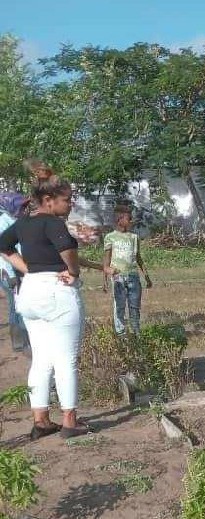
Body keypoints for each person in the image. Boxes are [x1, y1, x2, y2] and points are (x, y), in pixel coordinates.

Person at [0, 168, 113, 440]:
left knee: (40, 359)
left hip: (30, 292)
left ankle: (41, 421)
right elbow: (68, 251)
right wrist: (73, 272)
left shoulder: (24, 222)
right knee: (65, 359)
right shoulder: (53, 222)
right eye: (67, 199)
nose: (70, 203)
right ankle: (70, 422)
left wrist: (27, 268)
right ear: (49, 199)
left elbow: (3, 245)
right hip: (56, 292)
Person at [103, 205, 153, 336]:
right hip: (118, 278)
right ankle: (121, 335)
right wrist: (105, 280)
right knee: (119, 307)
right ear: (119, 220)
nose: (131, 221)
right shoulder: (110, 237)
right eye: (129, 218)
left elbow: (138, 258)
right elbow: (107, 261)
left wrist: (146, 276)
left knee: (134, 307)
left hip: (133, 277)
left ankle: (136, 333)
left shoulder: (134, 237)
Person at [0, 192, 30, 352]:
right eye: (22, 206)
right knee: (15, 306)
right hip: (9, 273)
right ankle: (19, 341)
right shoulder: (2, 222)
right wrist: (10, 275)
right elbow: (3, 253)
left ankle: (25, 339)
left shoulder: (16, 220)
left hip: (20, 270)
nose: (24, 209)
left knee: (22, 303)